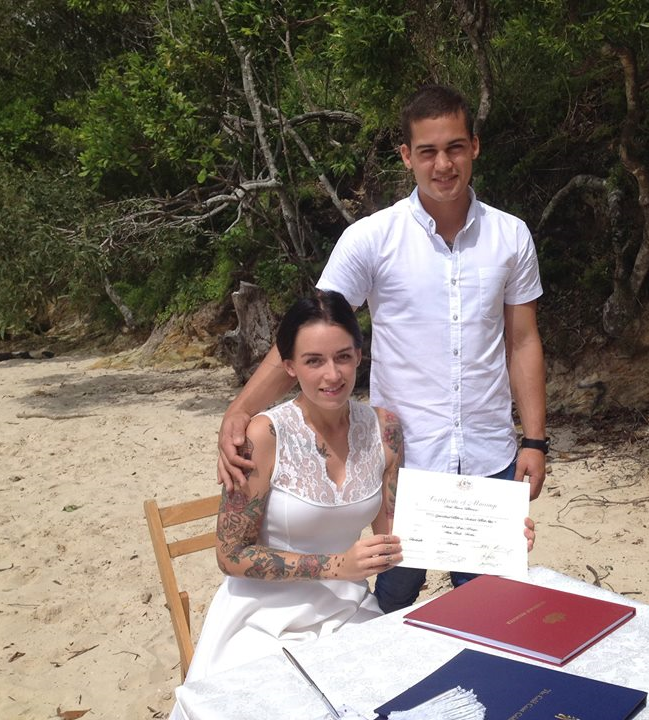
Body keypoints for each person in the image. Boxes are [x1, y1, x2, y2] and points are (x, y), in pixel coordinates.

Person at [217, 84, 547, 613]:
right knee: (391, 599)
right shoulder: (372, 239)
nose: (443, 164)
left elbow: (523, 340)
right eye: (428, 151)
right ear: (406, 156)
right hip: (402, 461)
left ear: (475, 146)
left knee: (491, 609)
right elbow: (309, 335)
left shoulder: (510, 236)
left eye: (455, 147)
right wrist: (240, 410)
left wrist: (534, 440)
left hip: (490, 457)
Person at [183, 291, 405, 684]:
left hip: (349, 611)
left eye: (342, 357)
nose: (332, 375)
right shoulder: (264, 435)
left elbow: (394, 533)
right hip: (262, 620)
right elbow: (230, 555)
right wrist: (337, 566)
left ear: (359, 355)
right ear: (289, 366)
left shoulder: (384, 428)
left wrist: (491, 533)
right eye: (313, 361)